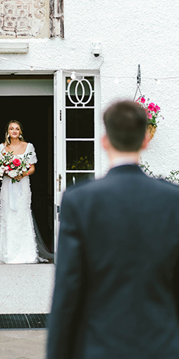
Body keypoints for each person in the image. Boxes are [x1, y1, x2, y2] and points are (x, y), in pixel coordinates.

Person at [47, 100, 179, 359]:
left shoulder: (79, 200)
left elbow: (68, 289)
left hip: (100, 347)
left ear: (105, 140)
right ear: (145, 140)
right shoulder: (173, 200)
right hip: (162, 345)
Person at [0, 120, 41, 264]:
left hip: (23, 185)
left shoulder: (28, 146)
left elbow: (32, 168)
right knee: (8, 214)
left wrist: (22, 174)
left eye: (17, 129)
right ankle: (7, 254)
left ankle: (27, 254)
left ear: (20, 132)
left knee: (22, 214)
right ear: (7, 132)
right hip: (7, 186)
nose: (14, 131)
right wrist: (8, 173)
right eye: (11, 129)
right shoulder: (2, 147)